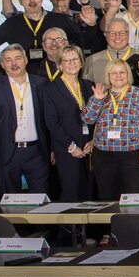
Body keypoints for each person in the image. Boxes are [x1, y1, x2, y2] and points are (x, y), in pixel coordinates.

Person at [0, 46, 52, 196]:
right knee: (9, 201)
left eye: (18, 58)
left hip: (36, 152)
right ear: (2, 64)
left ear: (26, 60)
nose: (14, 63)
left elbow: (49, 119)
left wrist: (52, 148)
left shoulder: (42, 83)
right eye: (8, 60)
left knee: (41, 197)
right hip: (6, 151)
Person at [80, 60, 139, 199]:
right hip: (104, 155)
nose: (118, 76)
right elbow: (87, 119)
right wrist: (97, 100)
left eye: (122, 72)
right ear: (108, 76)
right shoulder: (101, 94)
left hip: (132, 154)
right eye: (114, 73)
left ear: (128, 74)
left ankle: (133, 221)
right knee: (107, 196)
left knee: (134, 196)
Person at [43, 46, 93, 201]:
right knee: (71, 191)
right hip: (66, 147)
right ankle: (70, 226)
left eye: (75, 59)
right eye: (66, 60)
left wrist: (93, 140)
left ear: (81, 62)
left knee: (89, 191)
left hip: (88, 147)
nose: (71, 63)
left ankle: (89, 226)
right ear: (59, 65)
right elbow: (52, 122)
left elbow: (96, 116)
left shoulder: (88, 85)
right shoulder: (51, 88)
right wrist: (71, 147)